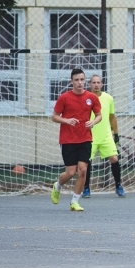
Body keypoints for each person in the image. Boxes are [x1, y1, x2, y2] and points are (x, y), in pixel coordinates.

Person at [50, 69, 102, 212]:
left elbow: (99, 115)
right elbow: (54, 116)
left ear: (85, 81)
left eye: (82, 80)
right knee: (71, 172)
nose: (80, 83)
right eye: (77, 80)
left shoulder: (92, 97)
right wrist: (66, 120)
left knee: (83, 171)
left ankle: (75, 202)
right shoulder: (64, 98)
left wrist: (93, 122)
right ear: (72, 81)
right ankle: (58, 186)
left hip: (85, 138)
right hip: (68, 139)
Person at [82, 75, 124, 198]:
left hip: (106, 135)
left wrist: (116, 134)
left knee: (114, 159)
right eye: (93, 82)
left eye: (98, 82)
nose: (96, 84)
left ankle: (118, 186)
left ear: (102, 84)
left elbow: (112, 117)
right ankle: (86, 188)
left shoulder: (109, 98)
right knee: (87, 162)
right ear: (89, 84)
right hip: (90, 136)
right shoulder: (85, 98)